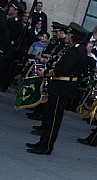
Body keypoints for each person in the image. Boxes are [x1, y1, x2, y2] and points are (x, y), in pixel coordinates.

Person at [25, 23, 89, 154]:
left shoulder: (76, 50)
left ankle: (46, 146)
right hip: (60, 86)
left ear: (74, 36)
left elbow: (62, 69)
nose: (67, 36)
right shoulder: (75, 48)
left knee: (53, 118)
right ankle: (43, 142)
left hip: (62, 88)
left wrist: (46, 74)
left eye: (70, 33)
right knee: (50, 116)